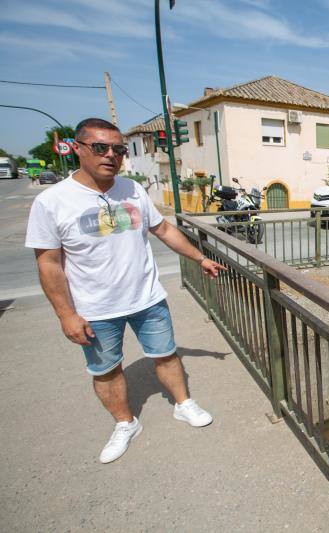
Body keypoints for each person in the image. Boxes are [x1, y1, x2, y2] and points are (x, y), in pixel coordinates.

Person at [25, 118, 226, 464]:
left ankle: (183, 404)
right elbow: (49, 264)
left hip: (146, 298)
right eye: (100, 147)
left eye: (118, 149)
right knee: (106, 370)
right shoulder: (52, 202)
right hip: (95, 309)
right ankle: (125, 423)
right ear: (78, 148)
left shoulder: (133, 190)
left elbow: (162, 229)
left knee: (165, 354)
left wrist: (199, 258)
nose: (111, 155)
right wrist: (67, 315)